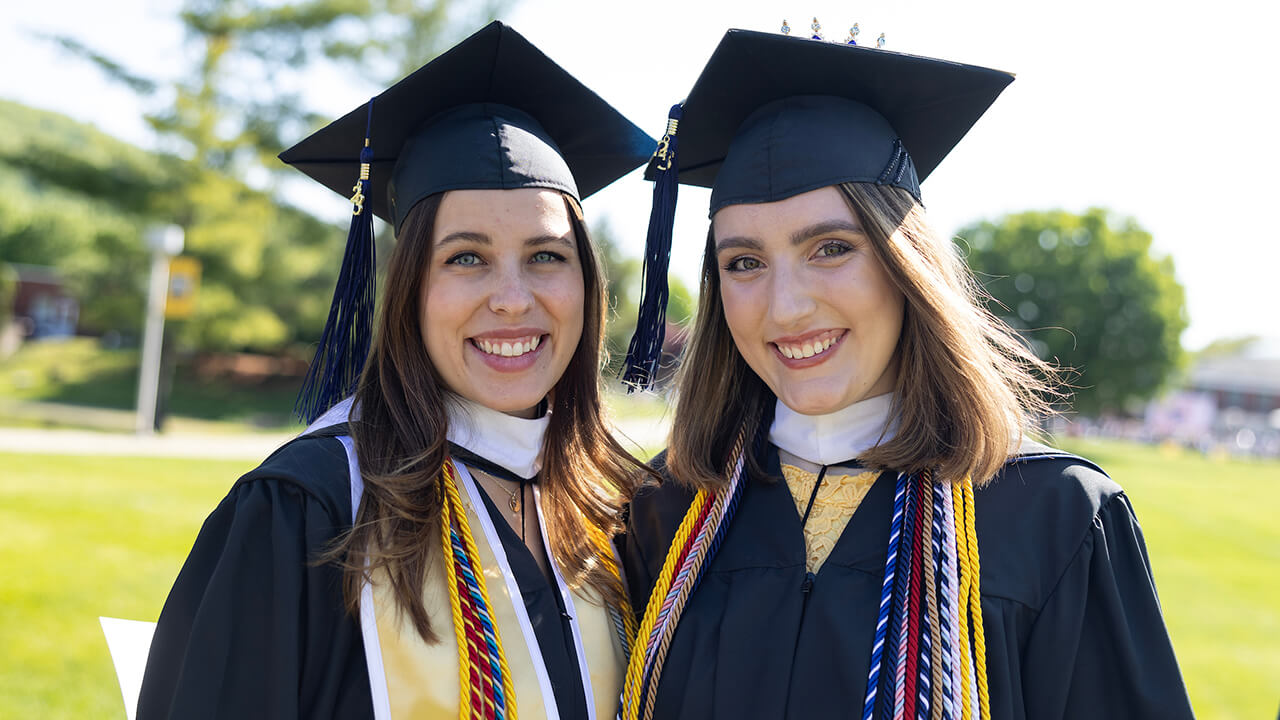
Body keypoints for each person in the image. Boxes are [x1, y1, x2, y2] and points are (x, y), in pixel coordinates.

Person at [616, 28, 1195, 720]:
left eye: (830, 248)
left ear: (906, 266)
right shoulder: (665, 512)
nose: (786, 306)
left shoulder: (1054, 518)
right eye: (744, 262)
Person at [137, 22, 656, 720]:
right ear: (408, 287)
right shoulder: (312, 511)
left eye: (546, 256)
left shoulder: (619, 511)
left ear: (588, 285)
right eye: (465, 257)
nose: (512, 297)